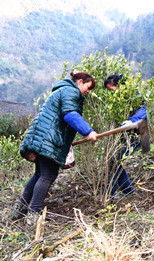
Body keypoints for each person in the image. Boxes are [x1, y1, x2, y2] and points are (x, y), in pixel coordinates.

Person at [13, 71, 98, 224]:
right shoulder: (71, 91)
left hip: (42, 138)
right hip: (49, 140)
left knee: (39, 174)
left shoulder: (61, 90)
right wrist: (88, 131)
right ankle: (33, 214)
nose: (87, 92)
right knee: (48, 174)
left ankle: (20, 209)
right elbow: (70, 114)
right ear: (79, 82)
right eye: (87, 87)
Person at [104, 74, 149, 198]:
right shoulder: (120, 101)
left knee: (115, 160)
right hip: (126, 135)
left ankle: (109, 194)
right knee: (115, 161)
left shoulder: (134, 96)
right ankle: (128, 191)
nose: (111, 94)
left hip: (139, 134)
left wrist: (131, 120)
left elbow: (143, 110)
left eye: (111, 90)